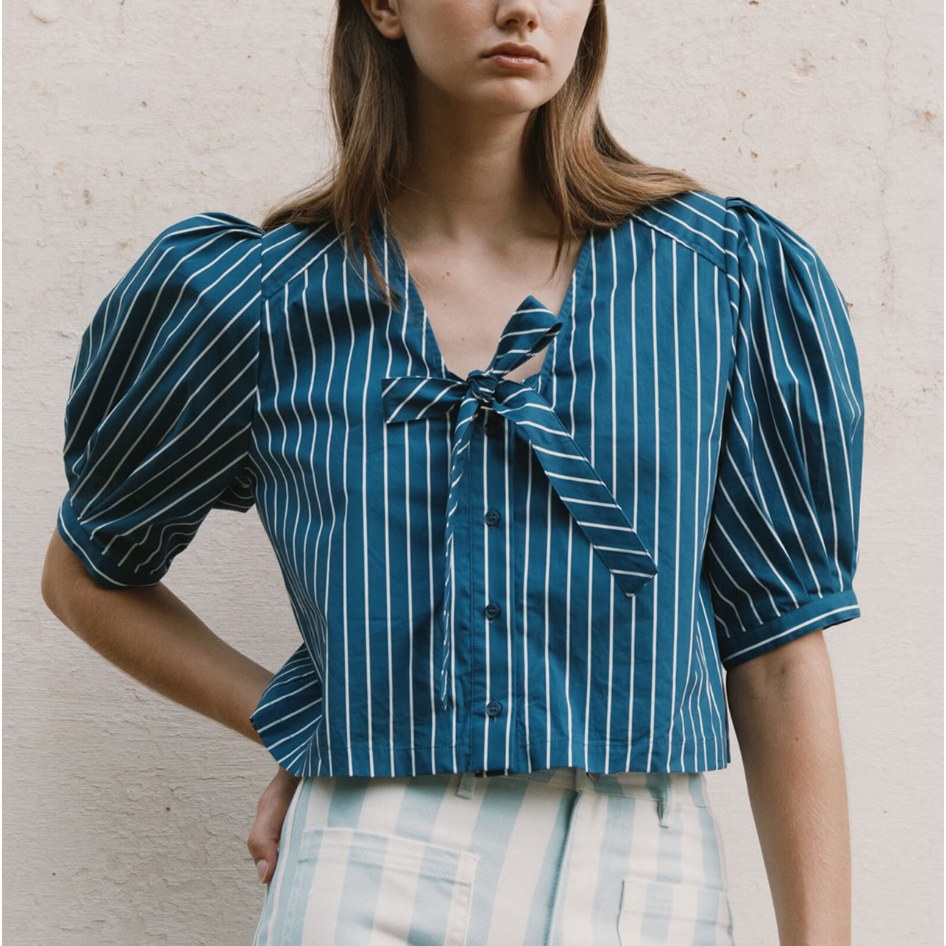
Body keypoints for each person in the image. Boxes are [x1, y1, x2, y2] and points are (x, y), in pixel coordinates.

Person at [41, 0, 864, 943]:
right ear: (384, 8)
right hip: (368, 854)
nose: (523, 9)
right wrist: (295, 722)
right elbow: (87, 575)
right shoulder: (259, 302)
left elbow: (781, 654)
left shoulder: (716, 280)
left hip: (646, 873)